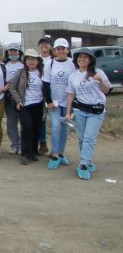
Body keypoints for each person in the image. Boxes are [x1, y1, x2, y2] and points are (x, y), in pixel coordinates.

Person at [66, 48, 112, 180]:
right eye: (80, 57)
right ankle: (87, 161)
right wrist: (68, 112)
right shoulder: (73, 75)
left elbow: (106, 90)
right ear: (76, 59)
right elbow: (71, 95)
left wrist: (100, 81)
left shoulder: (98, 72)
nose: (82, 59)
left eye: (85, 57)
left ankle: (84, 165)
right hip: (80, 110)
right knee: (81, 139)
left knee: (88, 138)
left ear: (90, 60)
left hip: (96, 111)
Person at [42, 38, 75, 170]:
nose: (61, 51)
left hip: (68, 102)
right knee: (56, 127)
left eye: (63, 48)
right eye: (58, 49)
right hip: (54, 103)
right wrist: (48, 101)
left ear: (67, 49)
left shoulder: (73, 64)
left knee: (65, 128)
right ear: (54, 50)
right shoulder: (49, 64)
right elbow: (45, 84)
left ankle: (61, 153)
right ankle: (54, 154)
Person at [9, 49, 45, 165]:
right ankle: (25, 154)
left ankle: (33, 152)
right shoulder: (21, 72)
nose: (31, 61)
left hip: (39, 104)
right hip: (25, 105)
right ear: (25, 61)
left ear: (38, 61)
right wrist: (18, 101)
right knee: (27, 127)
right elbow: (12, 87)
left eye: (34, 59)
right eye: (29, 59)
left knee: (36, 128)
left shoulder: (43, 73)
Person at [4, 43, 24, 155]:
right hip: (8, 98)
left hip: (21, 97)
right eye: (10, 51)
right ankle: (14, 144)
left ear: (19, 52)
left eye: (15, 51)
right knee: (11, 123)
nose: (13, 53)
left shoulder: (22, 65)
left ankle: (21, 145)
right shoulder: (4, 65)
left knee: (22, 123)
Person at [37, 36, 54, 155]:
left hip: (54, 94)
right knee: (41, 120)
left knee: (55, 122)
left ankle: (57, 149)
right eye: (42, 43)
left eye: (46, 43)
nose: (44, 46)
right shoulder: (36, 59)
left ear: (50, 46)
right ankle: (42, 143)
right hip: (39, 94)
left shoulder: (55, 59)